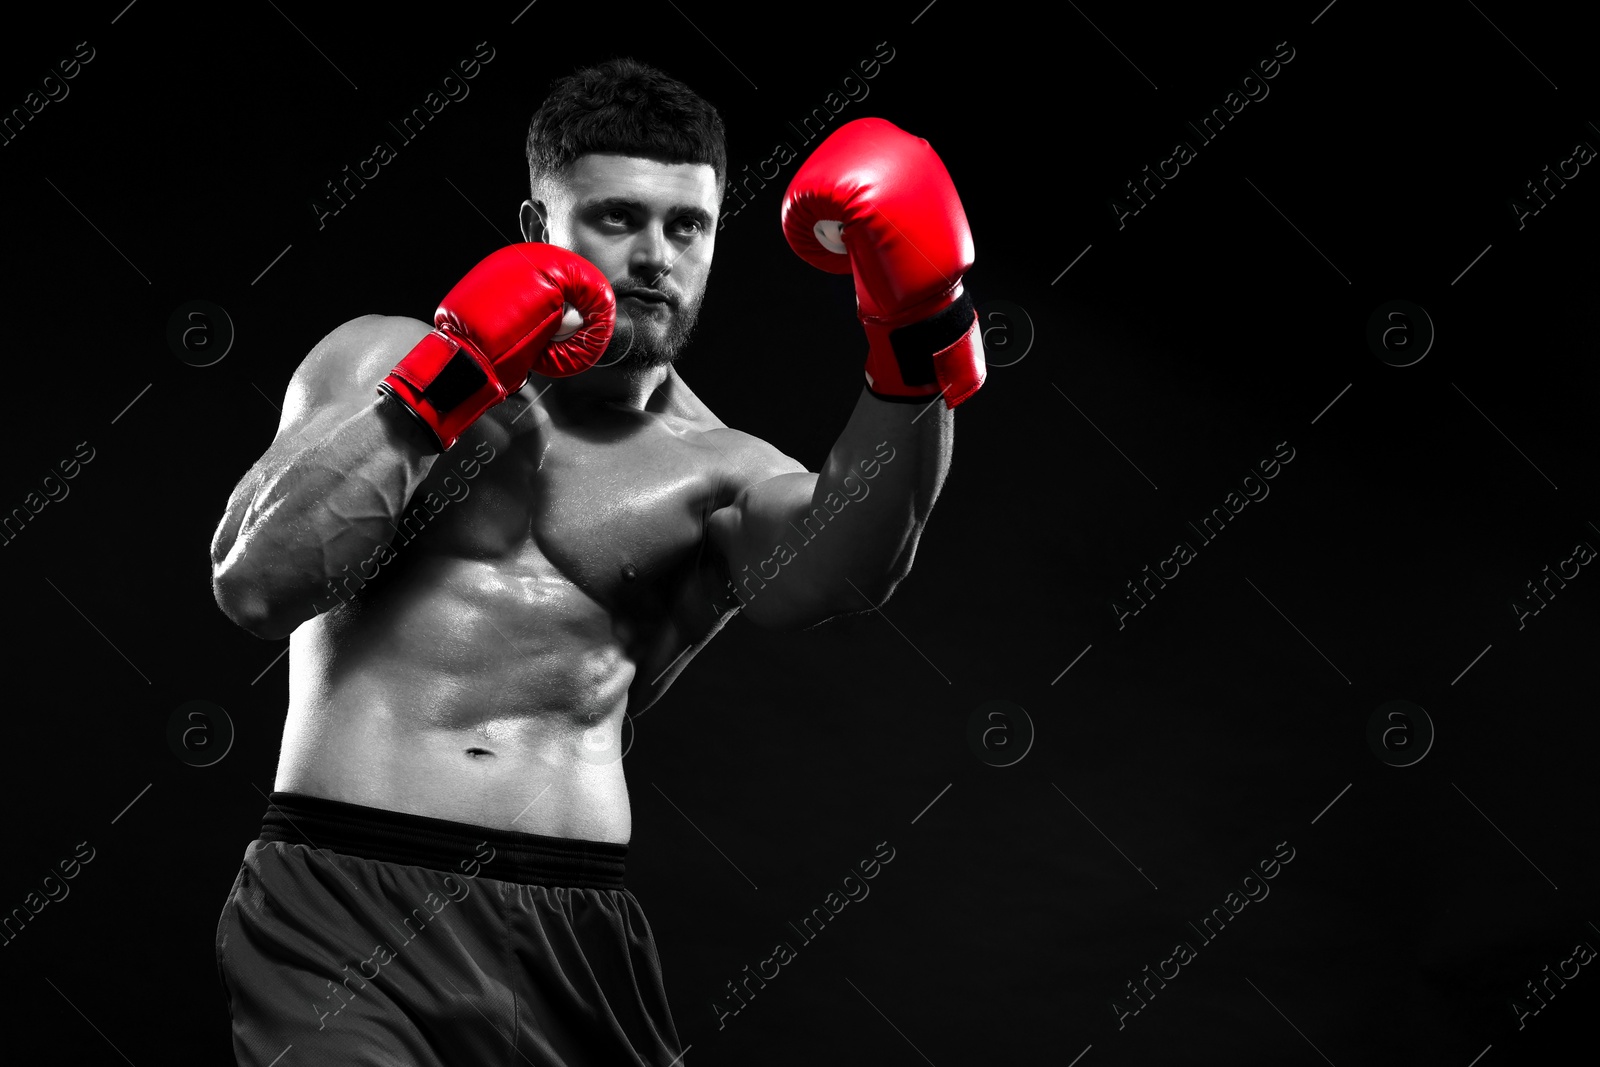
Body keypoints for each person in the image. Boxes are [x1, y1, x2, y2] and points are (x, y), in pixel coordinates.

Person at [208, 56, 984, 1066]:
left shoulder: (721, 470)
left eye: (687, 226)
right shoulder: (379, 356)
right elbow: (257, 581)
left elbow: (848, 572)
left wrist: (919, 333)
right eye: (617, 217)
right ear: (538, 229)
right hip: (337, 902)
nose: (655, 256)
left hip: (571, 933)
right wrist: (450, 375)